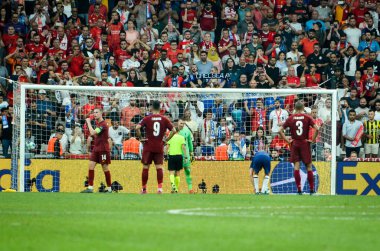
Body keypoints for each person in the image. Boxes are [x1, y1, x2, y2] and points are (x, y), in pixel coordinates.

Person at [279, 101, 320, 195]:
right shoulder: (307, 117)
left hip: (295, 143)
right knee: (308, 166)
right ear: (303, 108)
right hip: (304, 143)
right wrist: (312, 140)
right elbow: (317, 128)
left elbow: (280, 130)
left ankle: (299, 190)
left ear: (295, 108)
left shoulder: (291, 118)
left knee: (296, 167)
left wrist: (287, 140)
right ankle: (311, 190)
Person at [136, 100, 176, 194]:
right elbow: (174, 130)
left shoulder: (147, 118)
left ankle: (144, 189)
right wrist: (166, 140)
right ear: (160, 108)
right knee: (159, 167)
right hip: (159, 146)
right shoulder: (164, 119)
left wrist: (141, 138)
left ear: (152, 108)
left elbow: (137, 127)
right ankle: (159, 189)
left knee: (146, 167)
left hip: (148, 146)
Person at [81, 108, 112, 193]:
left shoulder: (104, 124)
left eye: (97, 112)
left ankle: (109, 189)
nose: (95, 114)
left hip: (103, 150)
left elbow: (92, 133)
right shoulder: (99, 124)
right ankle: (90, 188)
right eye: (94, 112)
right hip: (96, 149)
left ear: (101, 113)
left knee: (105, 168)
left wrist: (88, 122)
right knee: (91, 166)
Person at [166, 121, 187, 193]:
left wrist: (165, 155)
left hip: (171, 156)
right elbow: (183, 147)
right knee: (178, 173)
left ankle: (173, 186)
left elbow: (167, 147)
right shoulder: (181, 137)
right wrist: (186, 157)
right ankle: (176, 189)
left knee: (171, 172)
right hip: (179, 156)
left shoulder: (170, 138)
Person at [178, 118, 195, 193]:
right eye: (181, 123)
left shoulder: (187, 131)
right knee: (176, 172)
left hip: (186, 154)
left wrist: (191, 152)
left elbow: (189, 142)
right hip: (177, 153)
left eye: (183, 123)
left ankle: (190, 189)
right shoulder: (174, 131)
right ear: (177, 123)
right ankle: (175, 188)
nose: (182, 124)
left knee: (187, 171)